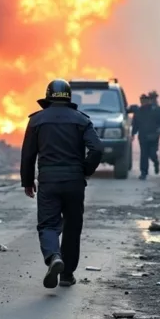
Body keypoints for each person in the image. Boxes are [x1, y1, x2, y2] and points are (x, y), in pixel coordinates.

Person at [20, 79, 102, 289]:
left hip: (48, 181)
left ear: (48, 96)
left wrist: (28, 182)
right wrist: (85, 170)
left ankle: (53, 257)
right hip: (74, 181)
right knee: (73, 227)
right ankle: (66, 275)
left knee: (48, 224)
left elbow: (28, 155)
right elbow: (97, 149)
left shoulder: (37, 120)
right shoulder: (81, 120)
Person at [132, 94, 160, 179]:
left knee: (152, 154)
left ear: (148, 101)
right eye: (142, 101)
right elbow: (135, 124)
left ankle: (156, 162)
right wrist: (133, 134)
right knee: (144, 155)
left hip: (153, 136)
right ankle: (144, 172)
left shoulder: (156, 110)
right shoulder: (138, 111)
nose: (143, 102)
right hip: (143, 136)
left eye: (144, 101)